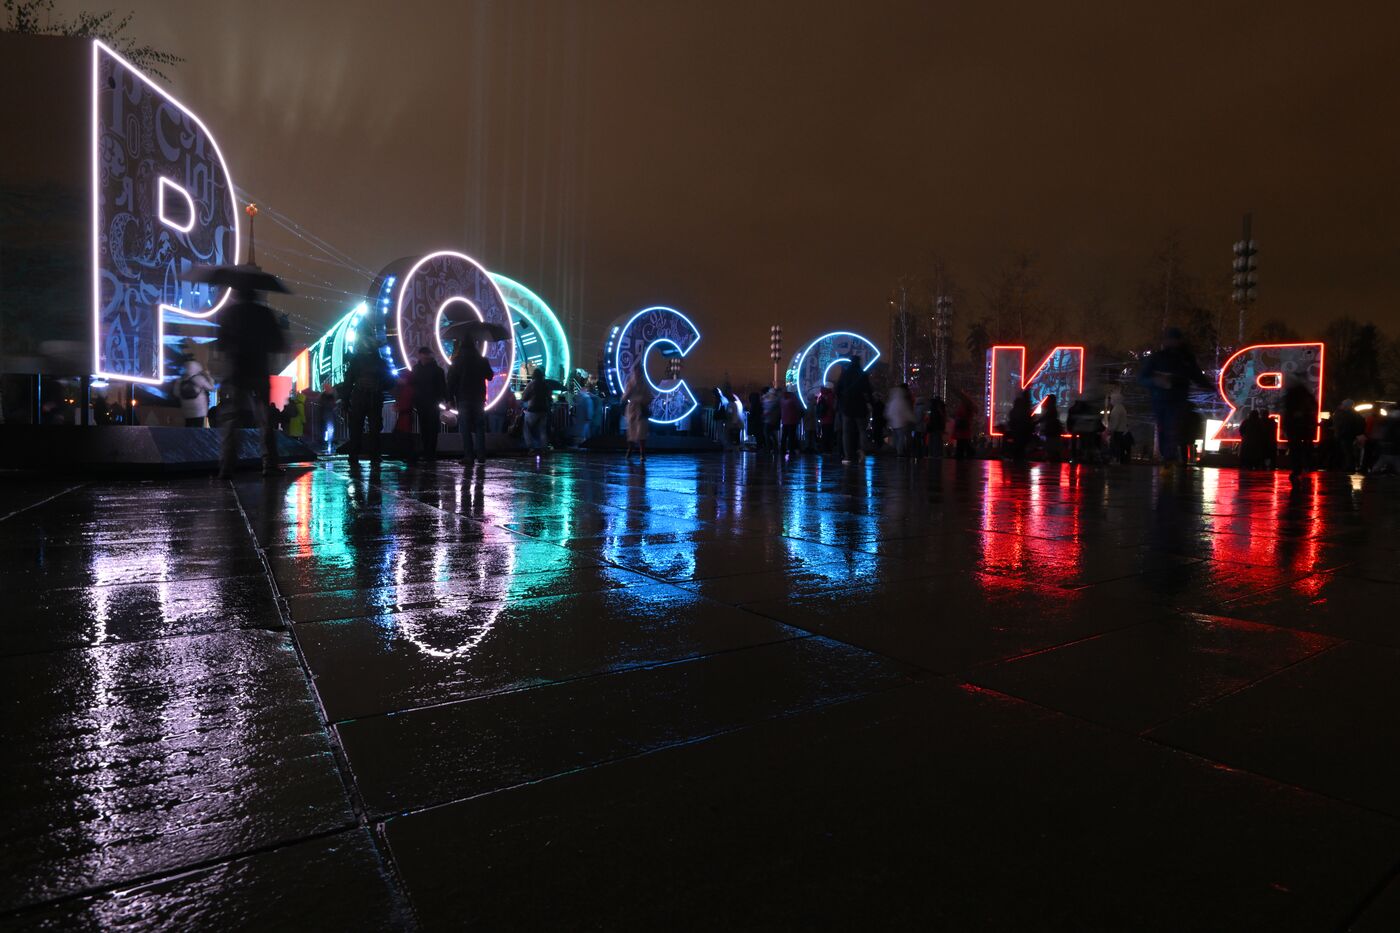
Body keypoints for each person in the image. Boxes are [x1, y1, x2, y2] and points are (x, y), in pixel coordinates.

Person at [216, 287, 286, 478]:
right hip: (259, 372)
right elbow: (278, 343)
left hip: (236, 372)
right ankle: (269, 464)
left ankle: (227, 466)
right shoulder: (264, 314)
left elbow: (220, 344)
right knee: (265, 421)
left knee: (232, 420)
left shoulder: (229, 314)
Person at [1138, 327, 1212, 465]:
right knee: (1164, 428)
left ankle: (1169, 458)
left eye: (1174, 339)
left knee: (1171, 427)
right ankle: (1167, 457)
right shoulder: (1159, 357)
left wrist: (1209, 386)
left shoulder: (1185, 358)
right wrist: (1156, 381)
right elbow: (1142, 377)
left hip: (1175, 399)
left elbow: (1195, 375)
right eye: (1169, 339)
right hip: (1162, 399)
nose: (1172, 342)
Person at [345, 341, 392, 467]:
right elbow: (389, 380)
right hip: (373, 397)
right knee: (374, 428)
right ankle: (374, 455)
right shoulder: (380, 362)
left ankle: (355, 455)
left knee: (357, 428)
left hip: (361, 397)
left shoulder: (356, 361)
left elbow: (348, 380)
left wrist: (345, 399)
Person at [448, 340, 494, 464]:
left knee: (465, 427)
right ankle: (481, 455)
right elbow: (490, 376)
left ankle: (469, 456)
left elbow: (451, 381)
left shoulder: (457, 361)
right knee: (480, 427)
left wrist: (449, 399)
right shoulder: (482, 360)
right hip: (479, 398)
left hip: (463, 397)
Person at [408, 346, 447, 460]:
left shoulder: (417, 369)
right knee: (427, 427)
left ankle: (429, 451)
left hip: (428, 401)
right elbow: (443, 386)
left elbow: (442, 386)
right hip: (427, 401)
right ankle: (428, 451)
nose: (424, 357)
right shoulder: (436, 370)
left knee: (429, 427)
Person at [835, 357, 872, 464]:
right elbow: (868, 390)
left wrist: (841, 400)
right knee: (862, 430)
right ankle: (862, 451)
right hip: (860, 406)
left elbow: (837, 390)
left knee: (846, 432)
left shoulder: (845, 374)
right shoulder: (863, 375)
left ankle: (847, 456)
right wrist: (870, 402)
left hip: (847, 406)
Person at [1282, 375, 1318, 482]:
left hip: (1295, 426)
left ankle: (1298, 468)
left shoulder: (1292, 394)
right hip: (1303, 426)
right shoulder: (1305, 393)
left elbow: (1287, 411)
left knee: (1295, 448)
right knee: (1303, 447)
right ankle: (1305, 466)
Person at [622, 361, 653, 461]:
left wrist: (643, 401)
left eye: (639, 371)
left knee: (641, 432)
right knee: (631, 431)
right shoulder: (630, 383)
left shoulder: (644, 383)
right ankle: (630, 449)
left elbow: (649, 396)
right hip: (632, 409)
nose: (637, 373)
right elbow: (625, 396)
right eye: (636, 371)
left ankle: (642, 453)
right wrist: (628, 394)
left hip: (641, 409)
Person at [521, 367, 552, 453]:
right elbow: (549, 397)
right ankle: (544, 448)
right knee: (542, 430)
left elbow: (524, 397)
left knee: (526, 427)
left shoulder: (531, 384)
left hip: (533, 410)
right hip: (544, 410)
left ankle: (531, 447)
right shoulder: (545, 385)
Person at [177, 358, 214, 427]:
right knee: (198, 428)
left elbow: (176, 393)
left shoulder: (180, 380)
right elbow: (211, 388)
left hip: (186, 411)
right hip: (199, 411)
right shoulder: (199, 379)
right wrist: (208, 376)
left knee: (188, 428)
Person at [885, 384, 915, 457]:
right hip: (901, 423)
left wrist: (889, 420)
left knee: (896, 438)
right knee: (901, 438)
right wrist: (913, 419)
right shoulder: (902, 401)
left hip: (894, 423)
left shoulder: (892, 402)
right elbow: (906, 412)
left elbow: (888, 412)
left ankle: (895, 450)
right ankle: (900, 452)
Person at [1006, 390, 1033, 462]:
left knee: (1018, 450)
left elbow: (1012, 422)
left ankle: (1017, 463)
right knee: (1020, 450)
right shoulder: (1025, 411)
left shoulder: (1015, 412)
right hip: (1022, 433)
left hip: (1017, 433)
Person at [950, 387, 975, 460]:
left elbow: (961, 415)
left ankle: (963, 455)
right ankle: (966, 454)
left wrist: (957, 416)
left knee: (962, 444)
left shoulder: (965, 407)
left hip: (962, 428)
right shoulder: (968, 407)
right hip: (964, 429)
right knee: (964, 443)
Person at [1039, 394, 1064, 462]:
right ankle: (1054, 458)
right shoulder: (1053, 409)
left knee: (1051, 445)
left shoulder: (1051, 410)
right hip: (1053, 430)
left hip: (1051, 430)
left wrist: (1035, 422)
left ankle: (1052, 458)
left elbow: (1044, 418)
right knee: (1053, 445)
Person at [1106, 392, 1130, 464]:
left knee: (1114, 446)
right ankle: (1119, 460)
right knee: (1119, 446)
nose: (1110, 401)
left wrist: (1110, 430)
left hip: (1117, 431)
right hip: (1121, 430)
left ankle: (1115, 459)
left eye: (1111, 399)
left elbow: (1114, 421)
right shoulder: (1121, 408)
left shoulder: (1116, 409)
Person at [779, 388, 802, 456]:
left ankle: (783, 449)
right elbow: (798, 407)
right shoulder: (793, 399)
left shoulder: (782, 399)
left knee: (784, 435)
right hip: (792, 420)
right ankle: (791, 449)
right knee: (791, 436)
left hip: (784, 419)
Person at [762, 387, 781, 452]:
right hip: (772, 420)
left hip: (769, 420)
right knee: (772, 434)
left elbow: (769, 409)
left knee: (767, 434)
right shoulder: (775, 400)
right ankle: (774, 447)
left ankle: (769, 447)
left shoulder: (772, 401)